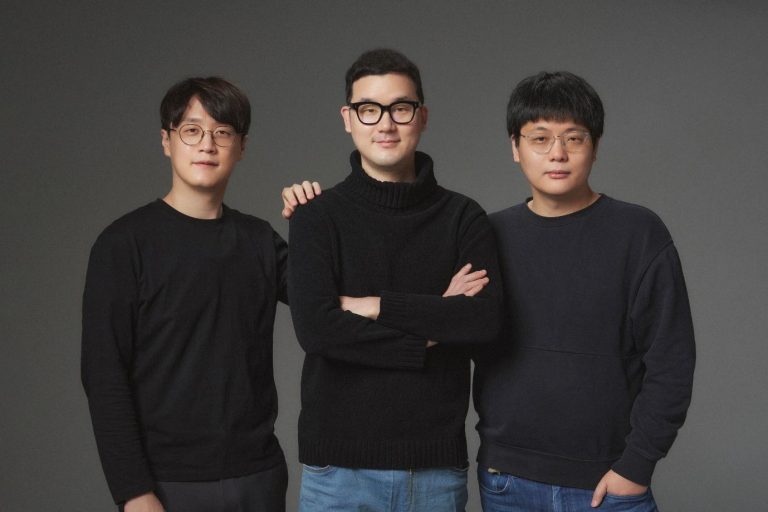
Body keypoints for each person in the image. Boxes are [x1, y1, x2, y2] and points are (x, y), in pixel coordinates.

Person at [285, 48, 502, 512]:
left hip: (433, 471)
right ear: (348, 118)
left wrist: (373, 305)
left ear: (422, 116)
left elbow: (482, 321)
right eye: (369, 109)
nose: (385, 124)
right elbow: (318, 330)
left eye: (400, 108)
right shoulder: (315, 216)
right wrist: (433, 326)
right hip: (337, 471)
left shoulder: (463, 217)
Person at [473, 71, 696, 511]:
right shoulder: (487, 235)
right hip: (508, 483)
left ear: (595, 146)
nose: (557, 153)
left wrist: (637, 466)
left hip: (609, 483)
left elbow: (672, 360)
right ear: (515, 147)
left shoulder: (638, 233)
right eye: (540, 138)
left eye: (573, 138)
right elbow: (453, 334)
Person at [81, 77, 289, 512]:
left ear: (241, 146)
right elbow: (103, 375)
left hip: (259, 477)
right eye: (192, 130)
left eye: (222, 132)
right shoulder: (123, 244)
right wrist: (133, 491)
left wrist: (315, 219)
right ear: (167, 141)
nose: (207, 145)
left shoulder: (259, 240)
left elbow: (331, 300)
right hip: (165, 482)